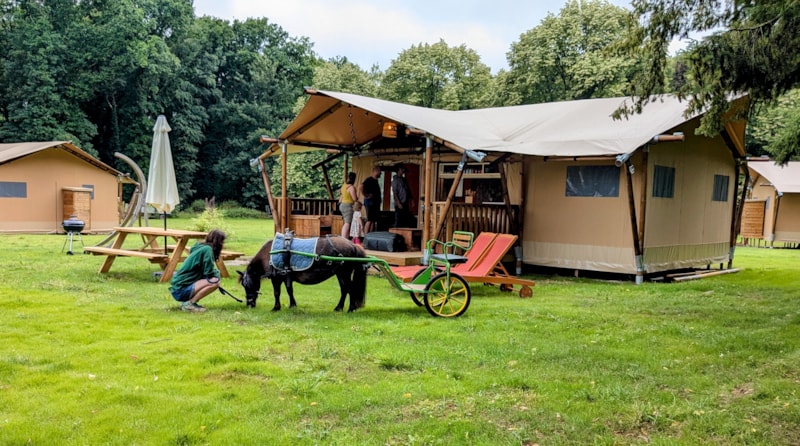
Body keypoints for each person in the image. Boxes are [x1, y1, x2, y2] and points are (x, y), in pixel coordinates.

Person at [169, 229, 226, 313]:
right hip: (180, 290)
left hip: (177, 289)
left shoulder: (200, 247)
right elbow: (209, 272)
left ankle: (188, 303)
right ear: (218, 242)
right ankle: (189, 304)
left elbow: (205, 270)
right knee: (214, 282)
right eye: (223, 241)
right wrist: (217, 274)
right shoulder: (207, 250)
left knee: (213, 281)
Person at [361, 166, 382, 233]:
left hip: (375, 203)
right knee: (369, 220)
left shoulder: (376, 181)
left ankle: (370, 236)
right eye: (379, 172)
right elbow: (361, 186)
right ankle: (366, 237)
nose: (380, 173)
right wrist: (365, 195)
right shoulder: (369, 180)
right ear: (375, 171)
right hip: (370, 203)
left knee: (373, 220)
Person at [339, 172, 358, 239]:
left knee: (346, 222)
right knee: (347, 223)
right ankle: (343, 239)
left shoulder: (344, 185)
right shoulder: (351, 187)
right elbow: (354, 198)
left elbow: (340, 193)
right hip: (348, 206)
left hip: (342, 205)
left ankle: (346, 238)